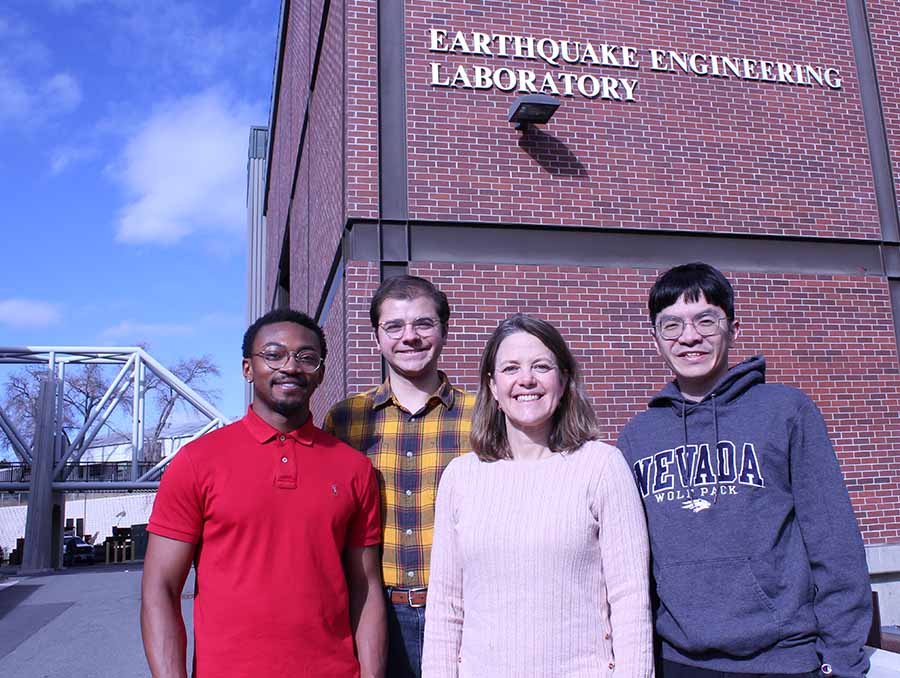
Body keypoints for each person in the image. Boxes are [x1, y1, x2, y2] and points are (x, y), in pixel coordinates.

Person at [617, 262, 872, 678]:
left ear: (732, 327)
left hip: (784, 659)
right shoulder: (636, 437)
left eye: (706, 320)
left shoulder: (786, 411)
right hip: (677, 661)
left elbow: (834, 540)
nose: (690, 337)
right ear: (656, 339)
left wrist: (842, 658)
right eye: (672, 326)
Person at [141, 309, 387, 678]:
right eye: (273, 354)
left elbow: (364, 588)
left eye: (306, 358)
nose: (290, 366)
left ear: (320, 373)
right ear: (247, 368)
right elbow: (160, 588)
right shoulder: (197, 461)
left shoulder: (354, 469)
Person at [422, 314, 653, 677]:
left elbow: (630, 599)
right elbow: (445, 608)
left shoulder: (602, 466)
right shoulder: (460, 478)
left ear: (562, 381)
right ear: (493, 387)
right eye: (511, 368)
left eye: (541, 366)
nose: (526, 379)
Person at [324, 275, 476, 678]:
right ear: (376, 337)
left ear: (444, 330)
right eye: (394, 326)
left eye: (423, 324)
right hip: (375, 615)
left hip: (468, 612)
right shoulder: (344, 420)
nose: (409, 337)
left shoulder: (485, 416)